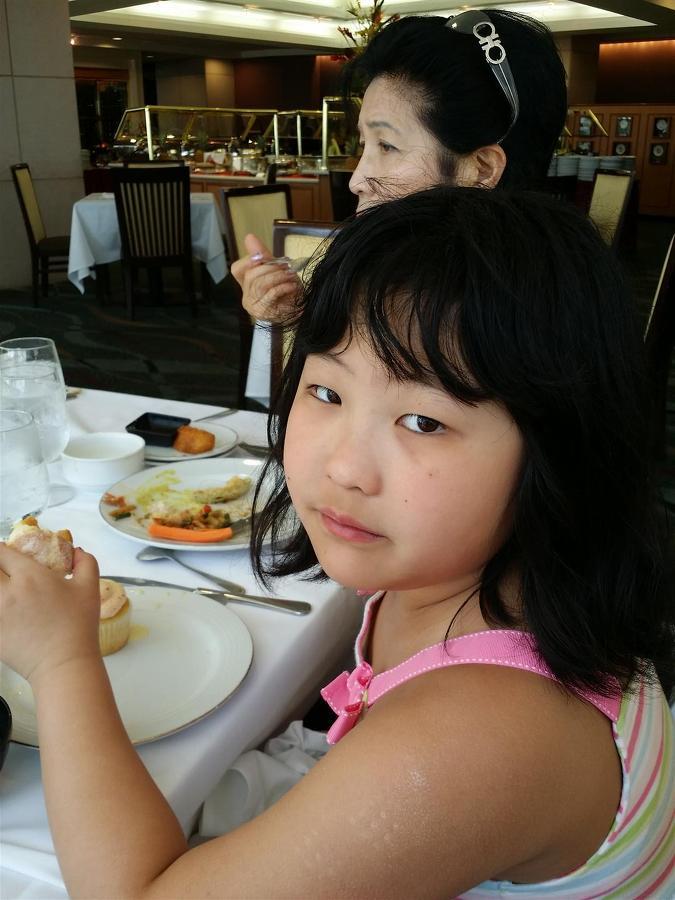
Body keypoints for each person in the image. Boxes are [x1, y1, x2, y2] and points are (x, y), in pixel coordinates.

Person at [1, 186, 673, 898]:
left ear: (560, 450)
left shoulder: (481, 734)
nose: (344, 469)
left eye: (424, 422)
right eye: (327, 392)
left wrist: (60, 659)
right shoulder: (476, 574)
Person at [232, 9, 567, 323]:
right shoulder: (379, 281)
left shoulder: (518, 322)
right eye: (364, 144)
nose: (356, 181)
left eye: (387, 146)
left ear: (481, 169)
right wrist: (293, 316)